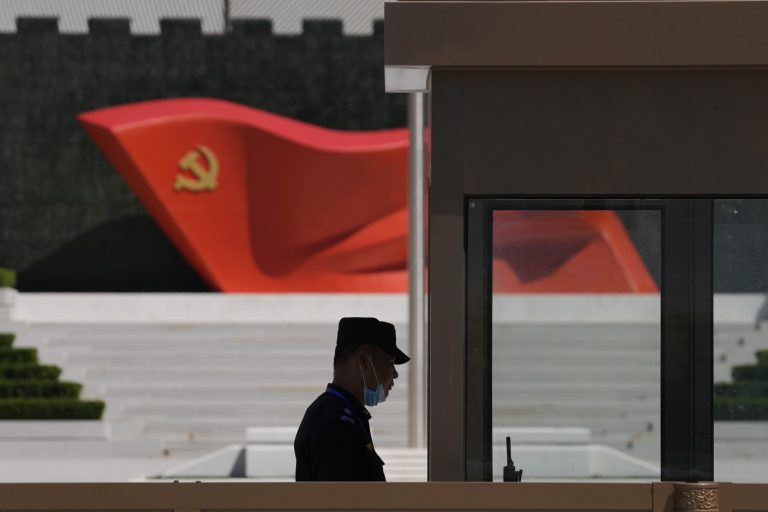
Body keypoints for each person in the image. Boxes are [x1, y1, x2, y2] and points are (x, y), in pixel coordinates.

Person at [294, 317, 410, 481]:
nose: (395, 374)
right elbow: (340, 501)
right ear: (364, 361)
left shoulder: (340, 412)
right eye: (390, 363)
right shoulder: (337, 421)